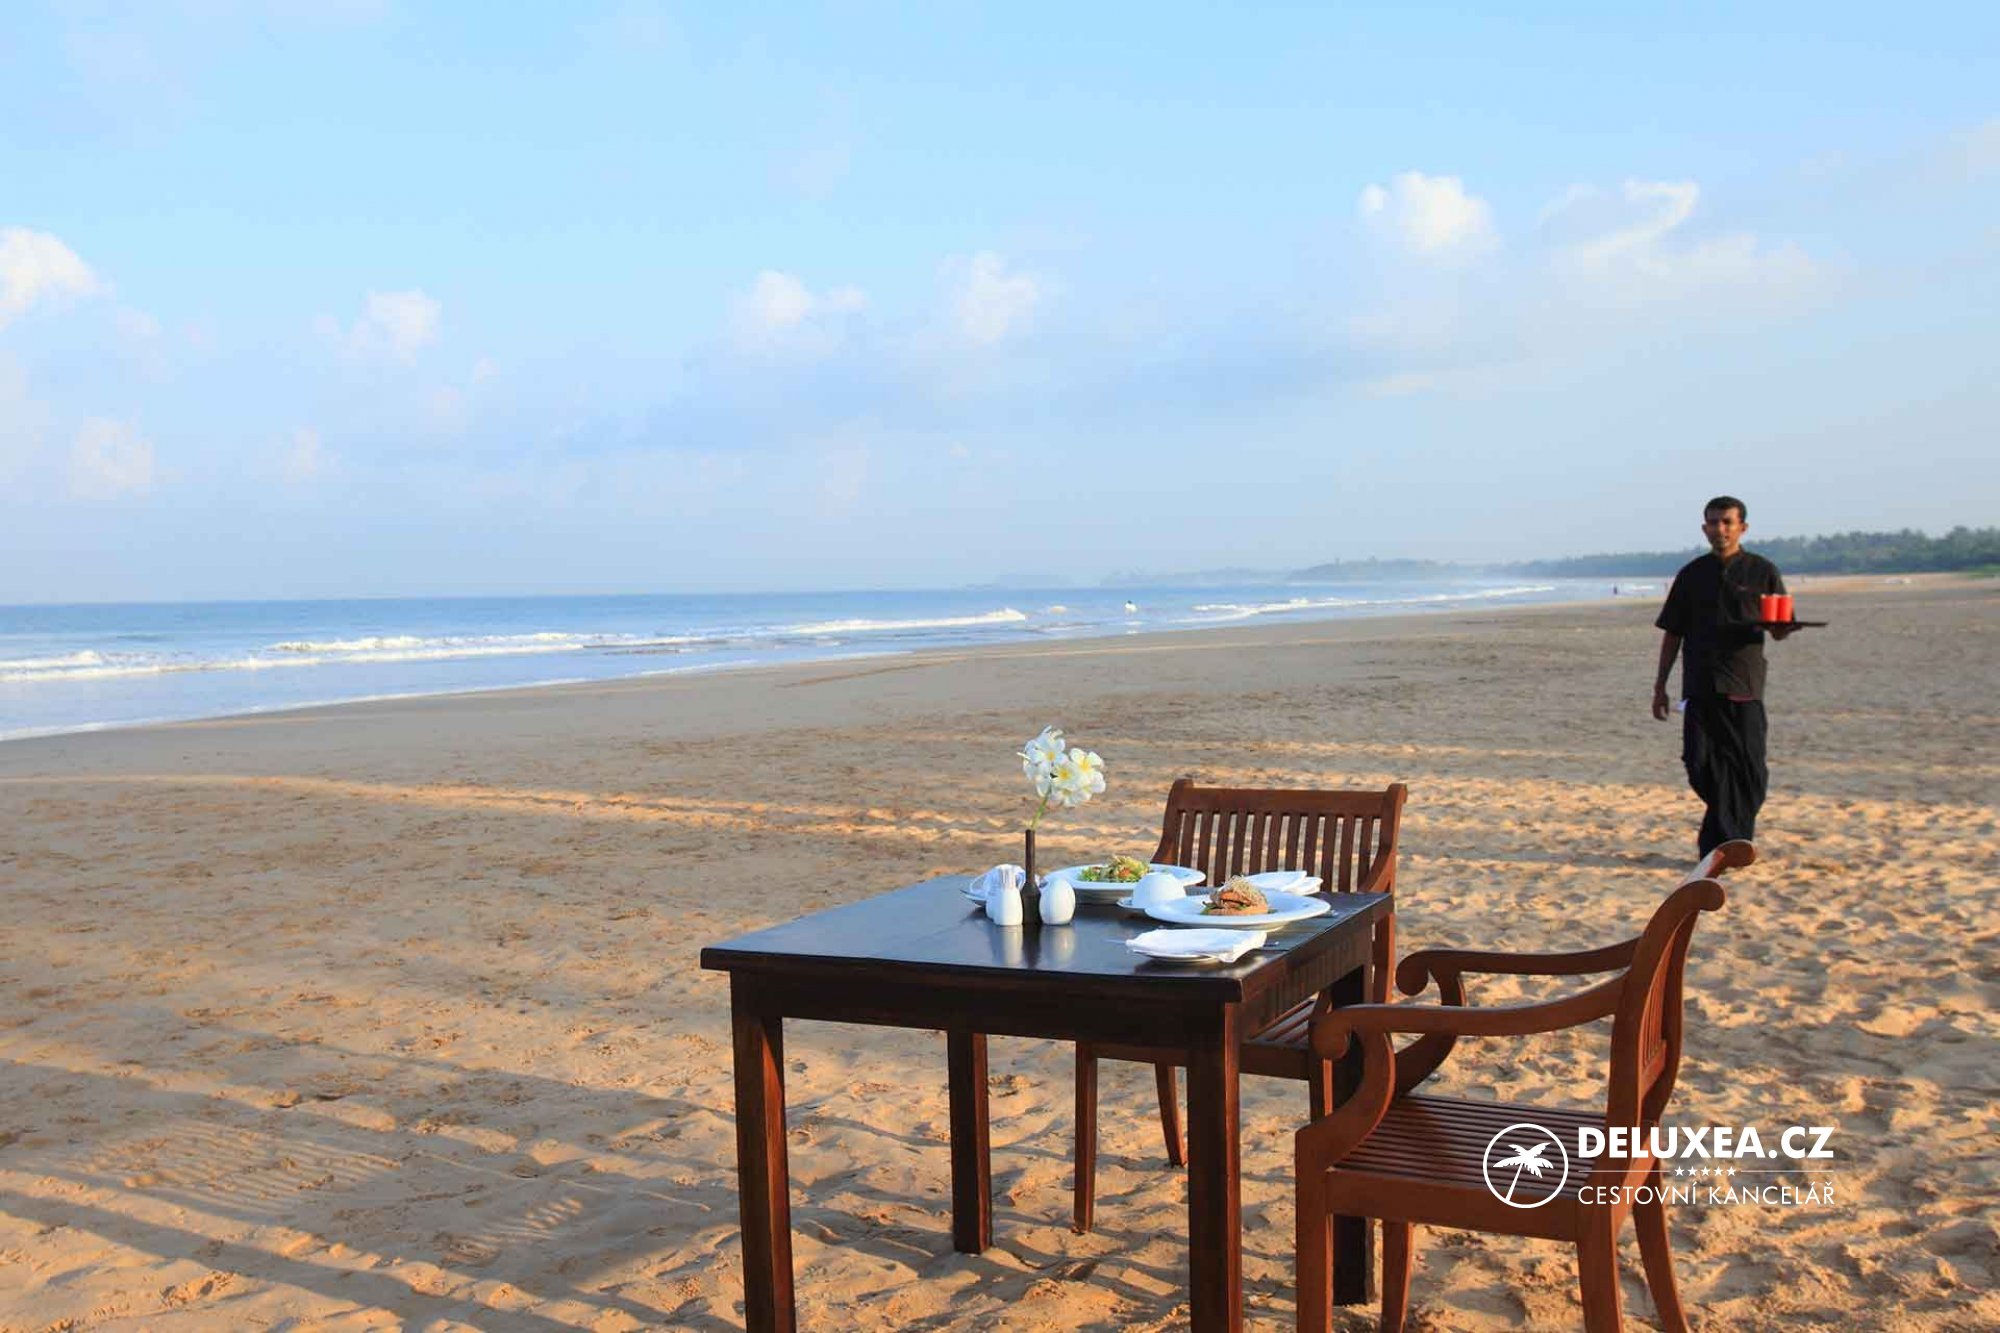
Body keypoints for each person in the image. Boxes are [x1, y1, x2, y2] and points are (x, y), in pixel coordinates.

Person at [1651, 495, 1792, 855]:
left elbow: (1780, 626)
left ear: (1742, 527)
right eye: (1713, 522)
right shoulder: (1692, 575)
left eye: (1727, 522)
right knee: (1699, 764)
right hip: (1700, 683)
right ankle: (1728, 841)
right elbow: (1673, 633)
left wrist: (1779, 628)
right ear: (1704, 528)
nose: (1720, 529)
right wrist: (1660, 686)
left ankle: (1723, 847)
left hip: (1745, 682)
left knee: (1749, 767)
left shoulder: (1762, 571)